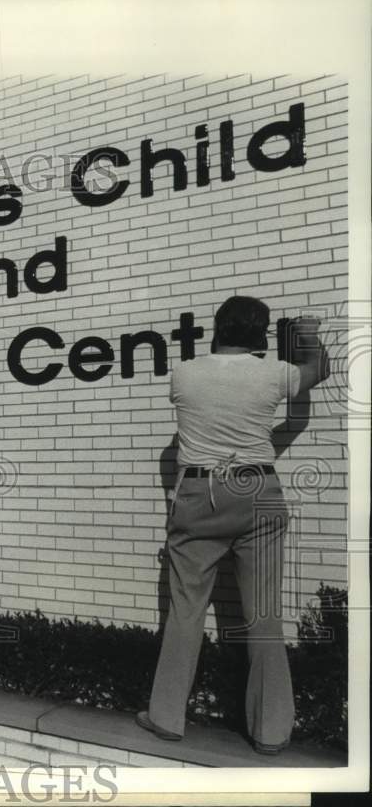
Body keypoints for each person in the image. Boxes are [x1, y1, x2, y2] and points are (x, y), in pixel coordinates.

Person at [137, 296, 330, 754]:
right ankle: (270, 732)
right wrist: (305, 334)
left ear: (216, 328)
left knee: (185, 611)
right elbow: (316, 371)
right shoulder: (273, 373)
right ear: (261, 335)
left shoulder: (184, 373)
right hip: (256, 490)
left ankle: (166, 717)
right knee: (263, 613)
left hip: (198, 493)